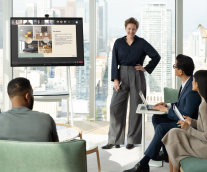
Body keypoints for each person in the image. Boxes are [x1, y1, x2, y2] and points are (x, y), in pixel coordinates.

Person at [123, 54, 201, 172]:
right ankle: (165, 152)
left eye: (175, 66)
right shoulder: (186, 83)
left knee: (161, 128)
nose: (173, 68)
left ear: (181, 71)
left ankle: (144, 164)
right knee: (156, 118)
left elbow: (185, 117)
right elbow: (181, 103)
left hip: (186, 126)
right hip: (180, 120)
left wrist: (166, 111)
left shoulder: (192, 89)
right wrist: (167, 105)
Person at [102, 17, 161, 150]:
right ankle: (114, 140)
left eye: (133, 29)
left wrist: (145, 68)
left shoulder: (141, 42)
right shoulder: (118, 43)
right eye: (129, 28)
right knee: (114, 107)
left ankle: (132, 140)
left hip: (136, 75)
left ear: (136, 29)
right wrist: (115, 79)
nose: (131, 31)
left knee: (136, 108)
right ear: (125, 29)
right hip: (121, 75)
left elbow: (156, 56)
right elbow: (114, 62)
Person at [162, 70, 207, 172]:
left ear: (199, 84)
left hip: (204, 147)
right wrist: (192, 122)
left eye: (194, 80)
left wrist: (188, 128)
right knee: (173, 132)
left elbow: (206, 136)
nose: (192, 82)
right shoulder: (204, 102)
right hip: (202, 143)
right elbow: (204, 125)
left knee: (173, 141)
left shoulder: (204, 106)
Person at [0, 77, 59, 142]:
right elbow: (56, 150)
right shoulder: (47, 119)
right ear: (27, 96)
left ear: (9, 96)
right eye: (32, 94)